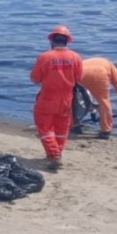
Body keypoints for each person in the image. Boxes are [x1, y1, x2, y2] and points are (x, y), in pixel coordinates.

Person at [30, 25, 83, 171]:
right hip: (67, 98)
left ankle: (54, 155)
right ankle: (56, 152)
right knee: (61, 128)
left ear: (52, 40)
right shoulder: (76, 57)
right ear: (67, 41)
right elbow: (78, 78)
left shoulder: (45, 57)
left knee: (44, 126)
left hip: (48, 97)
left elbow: (35, 78)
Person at [80, 57, 117, 139]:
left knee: (77, 98)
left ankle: (74, 123)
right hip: (100, 73)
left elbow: (89, 93)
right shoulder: (110, 66)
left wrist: (93, 112)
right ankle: (106, 131)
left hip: (79, 72)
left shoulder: (95, 62)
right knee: (103, 102)